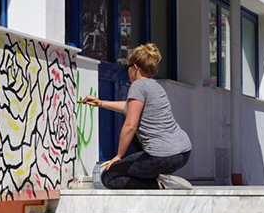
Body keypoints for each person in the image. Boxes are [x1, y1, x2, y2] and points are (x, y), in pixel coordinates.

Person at [82, 43, 192, 189]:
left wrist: (118, 156)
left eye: (127, 67)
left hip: (163, 156)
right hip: (183, 152)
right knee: (130, 169)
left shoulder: (138, 86)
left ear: (134, 68)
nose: (126, 71)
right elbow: (130, 107)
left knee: (110, 176)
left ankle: (163, 185)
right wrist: (101, 103)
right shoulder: (153, 85)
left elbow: (130, 126)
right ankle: (161, 180)